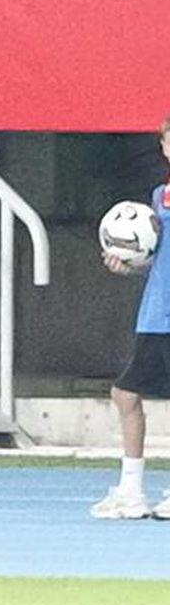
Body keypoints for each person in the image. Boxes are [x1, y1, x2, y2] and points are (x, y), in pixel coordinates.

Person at [91, 116, 170, 520]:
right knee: (126, 395)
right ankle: (132, 490)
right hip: (155, 315)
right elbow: (156, 258)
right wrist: (130, 265)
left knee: (126, 395)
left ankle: (133, 489)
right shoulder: (158, 200)